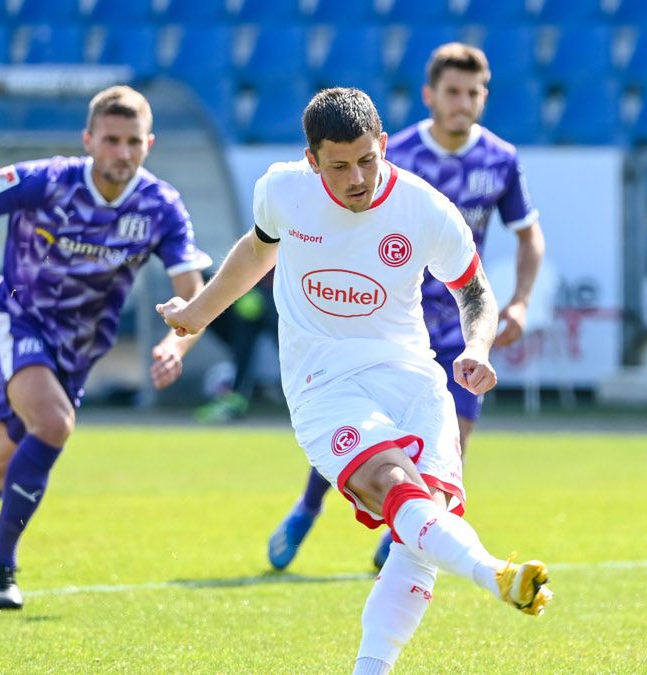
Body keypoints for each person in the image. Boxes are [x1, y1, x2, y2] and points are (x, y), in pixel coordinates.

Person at [157, 87, 552, 674]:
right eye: (338, 165)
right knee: (393, 484)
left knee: (424, 531)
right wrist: (198, 312)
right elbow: (255, 250)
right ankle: (492, 570)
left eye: (367, 159)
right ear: (312, 160)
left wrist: (476, 346)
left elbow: (473, 291)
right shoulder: (282, 191)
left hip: (413, 378)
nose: (357, 178)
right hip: (323, 380)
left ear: (384, 146)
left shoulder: (423, 208)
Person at [0, 85, 212, 609]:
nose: (122, 153)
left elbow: (194, 296)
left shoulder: (160, 206)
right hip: (13, 319)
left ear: (149, 144)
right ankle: (1, 570)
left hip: (77, 352)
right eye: (111, 140)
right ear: (88, 139)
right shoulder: (45, 180)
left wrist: (175, 347)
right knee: (52, 424)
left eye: (133, 142)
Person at [266, 42, 546, 572]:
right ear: (430, 96)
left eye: (473, 92)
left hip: (461, 319)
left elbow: (530, 237)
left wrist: (520, 304)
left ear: (484, 96)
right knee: (359, 425)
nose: (463, 103)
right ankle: (308, 506)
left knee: (454, 439)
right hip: (386, 314)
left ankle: (404, 538)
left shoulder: (501, 160)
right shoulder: (393, 156)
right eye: (452, 92)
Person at [194, 269, 279, 423]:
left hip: (282, 298)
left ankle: (314, 397)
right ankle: (235, 400)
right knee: (242, 349)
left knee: (291, 350)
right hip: (254, 295)